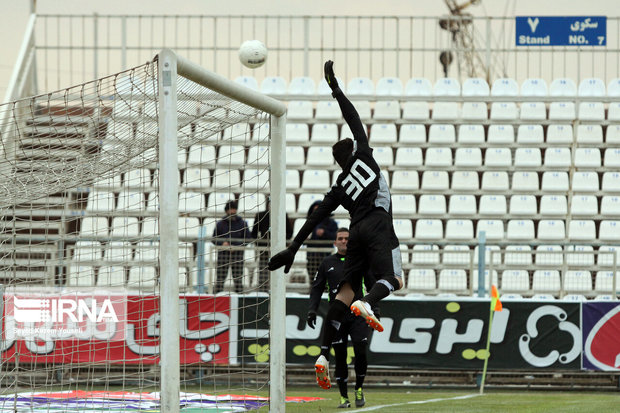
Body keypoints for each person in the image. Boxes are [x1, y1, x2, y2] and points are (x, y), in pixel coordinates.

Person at [268, 60, 403, 390]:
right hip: (378, 225)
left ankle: (323, 355)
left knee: (343, 292)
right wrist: (336, 89)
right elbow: (353, 117)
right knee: (395, 278)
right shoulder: (366, 156)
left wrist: (291, 249)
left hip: (354, 230)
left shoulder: (340, 185)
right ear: (354, 149)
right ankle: (368, 303)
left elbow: (315, 217)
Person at [307, 227, 374, 408]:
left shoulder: (360, 261)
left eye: (347, 238)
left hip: (358, 314)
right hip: (337, 317)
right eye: (340, 238)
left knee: (361, 351)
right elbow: (317, 288)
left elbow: (371, 285)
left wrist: (375, 308)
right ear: (335, 242)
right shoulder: (327, 262)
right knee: (340, 355)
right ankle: (344, 397)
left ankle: (359, 388)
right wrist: (312, 310)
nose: (344, 241)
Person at [252, 199, 293, 292]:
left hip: (279, 250)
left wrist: (282, 242)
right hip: (264, 249)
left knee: (278, 270)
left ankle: (277, 289)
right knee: (263, 270)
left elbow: (289, 232)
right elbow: (254, 233)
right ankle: (262, 290)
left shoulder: (283, 215)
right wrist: (260, 243)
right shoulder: (260, 215)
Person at [212, 200, 250, 293]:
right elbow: (214, 238)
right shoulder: (220, 224)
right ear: (226, 211)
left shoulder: (242, 223)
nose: (232, 212)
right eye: (230, 210)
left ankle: (239, 299)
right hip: (223, 255)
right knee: (220, 279)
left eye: (234, 210)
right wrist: (222, 244)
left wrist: (236, 246)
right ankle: (216, 297)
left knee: (238, 279)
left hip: (238, 256)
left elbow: (248, 238)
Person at [305, 200, 338, 285]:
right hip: (312, 257)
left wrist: (324, 233)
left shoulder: (331, 223)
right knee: (313, 280)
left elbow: (335, 237)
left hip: (326, 256)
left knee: (326, 278)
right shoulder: (309, 222)